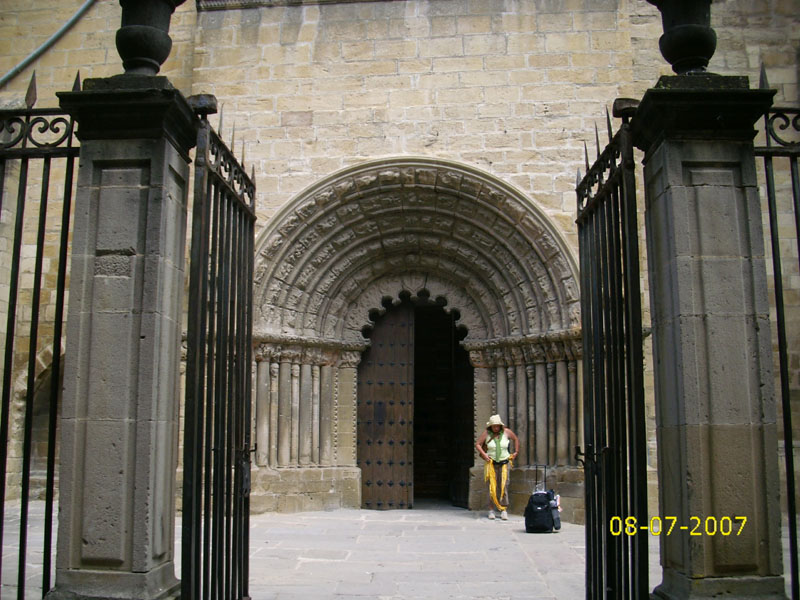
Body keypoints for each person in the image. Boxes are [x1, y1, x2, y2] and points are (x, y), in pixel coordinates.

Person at [475, 414, 520, 520]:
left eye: (497, 426)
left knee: (504, 486)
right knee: (492, 487)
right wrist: (485, 455)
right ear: (490, 426)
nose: (495, 428)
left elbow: (516, 439)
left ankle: (503, 509)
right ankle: (491, 510)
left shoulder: (506, 432)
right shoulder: (486, 434)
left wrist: (516, 452)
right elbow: (477, 444)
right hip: (492, 463)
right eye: (493, 426)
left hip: (504, 463)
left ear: (500, 426)